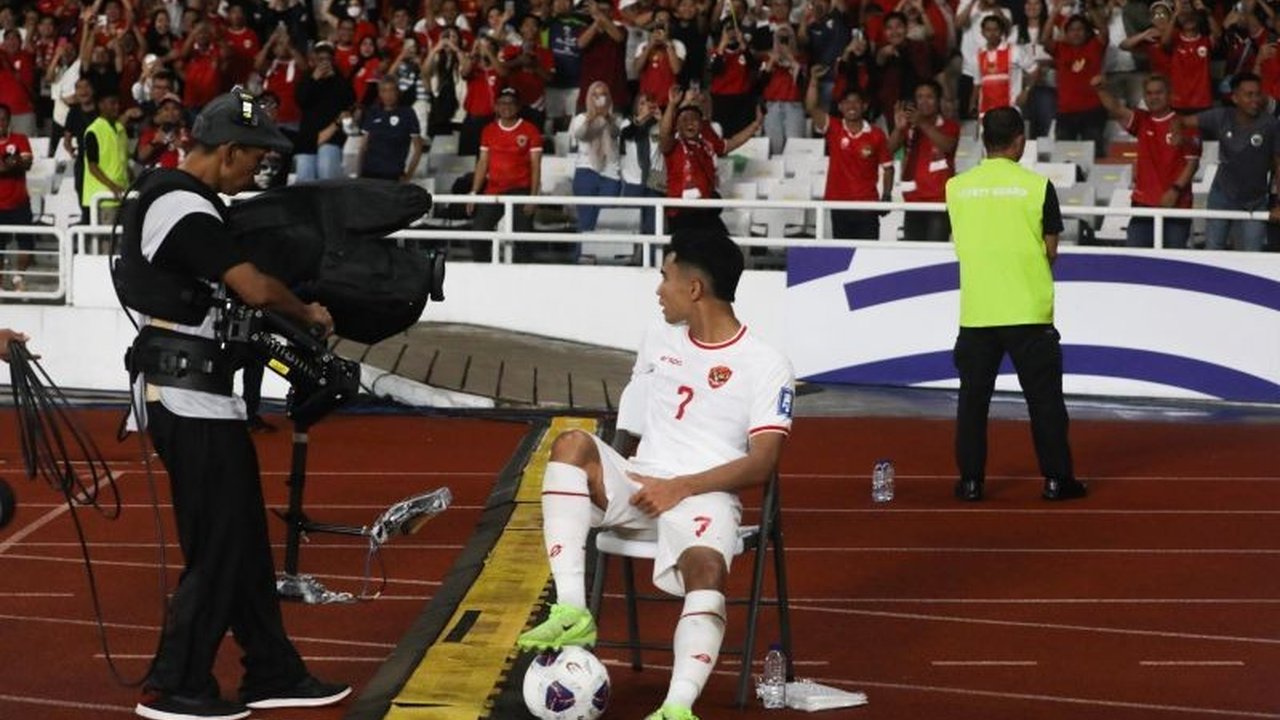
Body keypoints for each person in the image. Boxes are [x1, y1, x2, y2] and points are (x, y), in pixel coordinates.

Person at [120, 89, 349, 720]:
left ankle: (271, 670)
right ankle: (177, 685)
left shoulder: (180, 198)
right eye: (257, 156)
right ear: (228, 151)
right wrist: (307, 311)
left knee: (243, 542)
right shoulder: (183, 203)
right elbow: (248, 285)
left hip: (200, 395)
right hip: (188, 397)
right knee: (220, 545)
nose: (261, 168)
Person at [515, 227, 795, 720]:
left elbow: (763, 461)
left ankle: (676, 708)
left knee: (707, 570)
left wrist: (681, 487)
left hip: (706, 494)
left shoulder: (766, 363)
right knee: (572, 445)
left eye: (665, 277)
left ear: (694, 289)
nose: (658, 289)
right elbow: (635, 416)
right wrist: (650, 481)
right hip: (641, 482)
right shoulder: (658, 337)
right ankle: (574, 613)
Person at [945, 106, 1086, 503]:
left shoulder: (956, 187)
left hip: (977, 312)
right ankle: (1057, 481)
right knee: (1044, 403)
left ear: (982, 138)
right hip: (1028, 309)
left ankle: (971, 482)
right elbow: (1051, 249)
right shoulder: (1038, 187)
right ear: (1020, 140)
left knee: (973, 404)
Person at [1092, 73, 1200, 248]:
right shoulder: (1143, 120)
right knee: (1137, 262)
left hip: (1176, 206)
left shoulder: (1184, 123)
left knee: (1172, 264)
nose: (1154, 97)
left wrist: (1175, 190)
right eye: (1149, 93)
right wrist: (1101, 89)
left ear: (1169, 94)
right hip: (1143, 205)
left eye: (1159, 92)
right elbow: (1116, 109)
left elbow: (1193, 163)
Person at [1178, 73, 1280, 251]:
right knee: (1213, 251)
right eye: (1249, 95)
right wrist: (1181, 137)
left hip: (1255, 201)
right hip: (1221, 196)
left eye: (1257, 94)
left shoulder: (1270, 125)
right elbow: (1182, 122)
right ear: (1235, 98)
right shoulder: (1220, 117)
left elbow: (1279, 166)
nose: (1255, 99)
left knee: (1251, 257)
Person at [658, 86, 763, 234]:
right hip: (681, 212)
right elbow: (664, 133)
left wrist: (754, 126)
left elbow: (731, 143)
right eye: (685, 120)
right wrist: (671, 105)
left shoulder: (707, 144)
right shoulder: (672, 146)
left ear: (701, 124)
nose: (690, 123)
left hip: (705, 210)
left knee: (724, 250)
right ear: (677, 126)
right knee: (689, 253)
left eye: (694, 120)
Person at [805, 70, 894, 240]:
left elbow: (888, 168)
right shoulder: (833, 127)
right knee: (844, 256)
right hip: (839, 204)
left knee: (867, 257)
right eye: (847, 102)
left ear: (864, 106)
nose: (851, 106)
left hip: (867, 206)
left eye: (856, 102)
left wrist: (887, 196)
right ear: (840, 107)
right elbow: (811, 107)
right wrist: (814, 81)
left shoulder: (877, 135)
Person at [468, 87, 543, 262]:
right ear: (496, 106)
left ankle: (523, 277)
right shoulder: (488, 130)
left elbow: (536, 166)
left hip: (521, 191)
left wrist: (533, 197)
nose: (506, 107)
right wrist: (474, 192)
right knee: (478, 234)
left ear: (518, 107)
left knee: (523, 237)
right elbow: (483, 162)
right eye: (502, 102)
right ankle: (483, 272)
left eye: (511, 103)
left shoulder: (530, 130)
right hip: (493, 191)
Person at [888, 80, 959, 242]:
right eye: (919, 97)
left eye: (929, 97)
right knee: (914, 255)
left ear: (938, 101)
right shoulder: (908, 127)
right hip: (913, 201)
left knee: (934, 255)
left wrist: (922, 123)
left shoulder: (949, 125)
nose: (924, 102)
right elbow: (888, 150)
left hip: (939, 203)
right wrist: (898, 129)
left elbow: (947, 146)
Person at [294, 42, 356, 181]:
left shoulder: (340, 80)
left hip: (332, 135)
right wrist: (314, 79)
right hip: (309, 137)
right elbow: (301, 100)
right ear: (314, 61)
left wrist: (335, 78)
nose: (324, 63)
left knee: (326, 171)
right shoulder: (307, 78)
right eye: (320, 59)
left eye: (327, 59)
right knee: (304, 178)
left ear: (332, 61)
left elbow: (350, 101)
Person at [570, 81, 622, 232]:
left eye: (604, 94)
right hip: (586, 172)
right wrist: (596, 118)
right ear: (589, 98)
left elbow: (615, 133)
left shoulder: (616, 120)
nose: (600, 98)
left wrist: (606, 117)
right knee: (586, 223)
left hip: (610, 174)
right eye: (596, 95)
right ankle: (582, 256)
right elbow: (583, 135)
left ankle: (602, 256)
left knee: (605, 225)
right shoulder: (581, 118)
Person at [358, 78, 424, 181]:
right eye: (384, 91)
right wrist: (359, 174)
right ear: (379, 93)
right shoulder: (373, 112)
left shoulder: (408, 113)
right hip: (369, 174)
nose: (388, 95)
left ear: (397, 92)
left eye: (391, 90)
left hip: (393, 176)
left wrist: (408, 176)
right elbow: (363, 146)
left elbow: (418, 149)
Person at [81, 87, 129, 224]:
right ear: (101, 105)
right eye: (112, 103)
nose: (117, 107)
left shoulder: (120, 129)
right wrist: (112, 186)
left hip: (121, 195)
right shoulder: (93, 131)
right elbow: (92, 166)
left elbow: (124, 161)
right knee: (106, 243)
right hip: (103, 198)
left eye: (118, 103)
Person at [0, 103, 34, 291]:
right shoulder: (18, 145)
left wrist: (11, 164)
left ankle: (18, 278)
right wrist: (13, 162)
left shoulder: (20, 139)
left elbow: (27, 163)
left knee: (26, 243)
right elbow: (12, 165)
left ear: (9, 121)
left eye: (3, 119)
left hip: (20, 202)